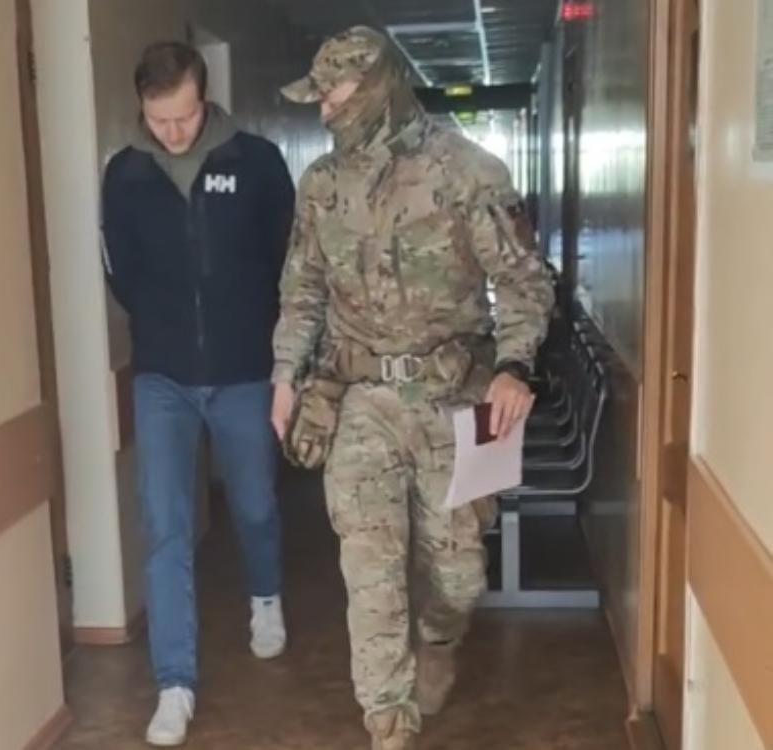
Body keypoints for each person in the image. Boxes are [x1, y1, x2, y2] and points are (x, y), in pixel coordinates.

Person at [271, 27, 554, 750]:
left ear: (375, 88)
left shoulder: (468, 172)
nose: (324, 110)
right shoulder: (321, 186)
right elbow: (302, 292)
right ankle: (388, 725)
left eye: (333, 94)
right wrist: (285, 375)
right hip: (359, 399)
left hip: (456, 398)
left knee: (459, 575)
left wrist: (515, 365)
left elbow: (522, 280)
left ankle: (439, 642)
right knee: (371, 574)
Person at [100, 41, 296, 747]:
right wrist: (167, 325)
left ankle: (265, 596)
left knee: (254, 502)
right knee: (165, 522)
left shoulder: (256, 162)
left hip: (244, 368)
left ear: (203, 99)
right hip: (163, 376)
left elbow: (288, 261)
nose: (172, 131)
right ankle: (174, 682)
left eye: (183, 117)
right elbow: (121, 271)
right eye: (159, 120)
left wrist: (276, 352)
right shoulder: (125, 174)